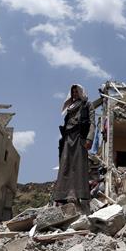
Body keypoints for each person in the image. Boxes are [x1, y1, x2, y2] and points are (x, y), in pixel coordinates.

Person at [53, 84, 95, 213]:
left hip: (80, 137)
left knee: (79, 166)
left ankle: (78, 196)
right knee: (65, 166)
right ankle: (63, 197)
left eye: (77, 92)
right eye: (73, 92)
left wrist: (89, 138)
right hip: (68, 138)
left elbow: (92, 123)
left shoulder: (87, 104)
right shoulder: (70, 108)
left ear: (81, 92)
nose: (75, 94)